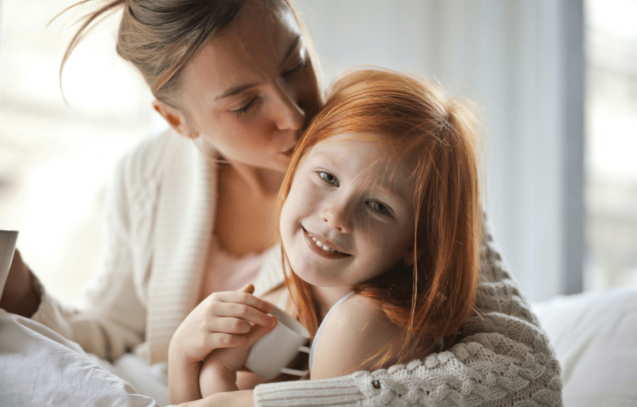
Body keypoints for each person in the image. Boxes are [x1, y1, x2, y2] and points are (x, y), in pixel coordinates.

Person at [0, 0, 563, 406]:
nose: (295, 115)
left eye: (295, 65)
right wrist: (21, 290)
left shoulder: (387, 150)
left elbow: (526, 370)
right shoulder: (148, 173)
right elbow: (111, 333)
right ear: (177, 120)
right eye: (245, 104)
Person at [170, 67, 484, 404]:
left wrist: (210, 373)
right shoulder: (299, 297)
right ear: (294, 167)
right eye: (327, 177)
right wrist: (184, 358)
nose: (336, 217)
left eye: (379, 206)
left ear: (415, 244)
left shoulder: (361, 326)